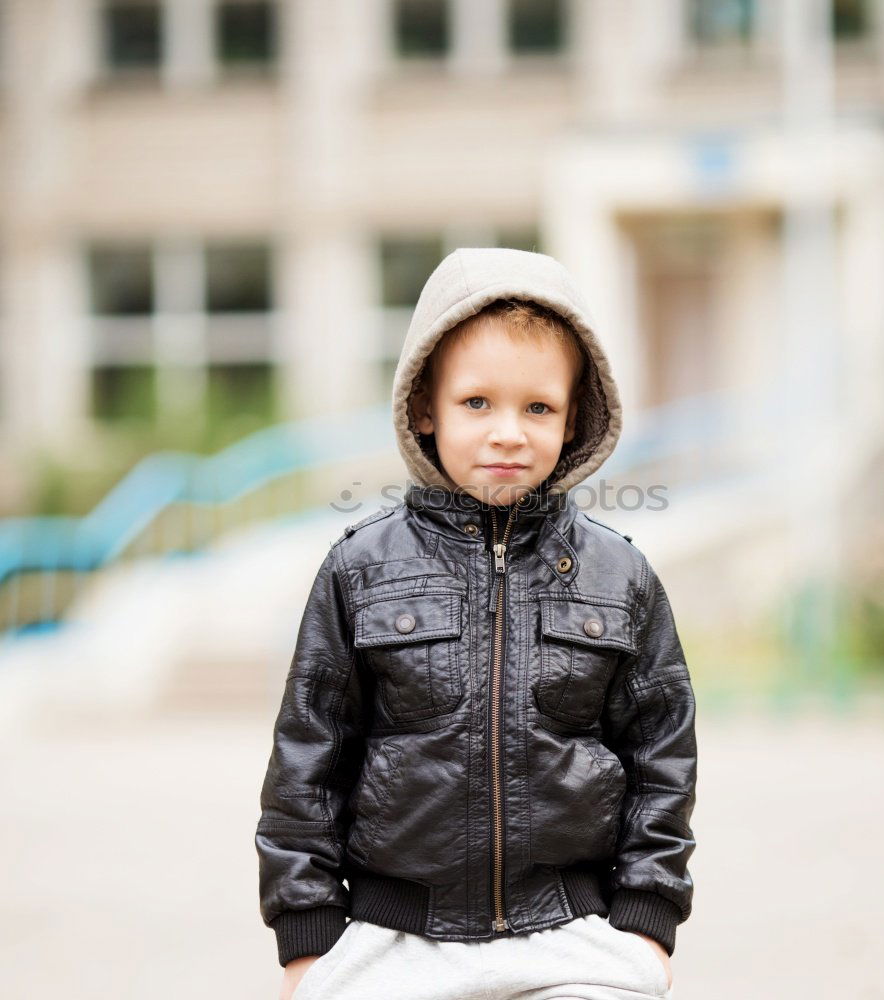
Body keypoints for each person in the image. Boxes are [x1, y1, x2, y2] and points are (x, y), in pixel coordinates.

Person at [255, 247, 697, 1000]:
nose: (507, 433)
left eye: (538, 407)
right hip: (392, 936)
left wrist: (647, 919)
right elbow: (307, 758)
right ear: (424, 407)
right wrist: (307, 937)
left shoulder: (619, 576)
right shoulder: (359, 568)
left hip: (571, 934)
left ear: (574, 415)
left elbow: (661, 755)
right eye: (476, 403)